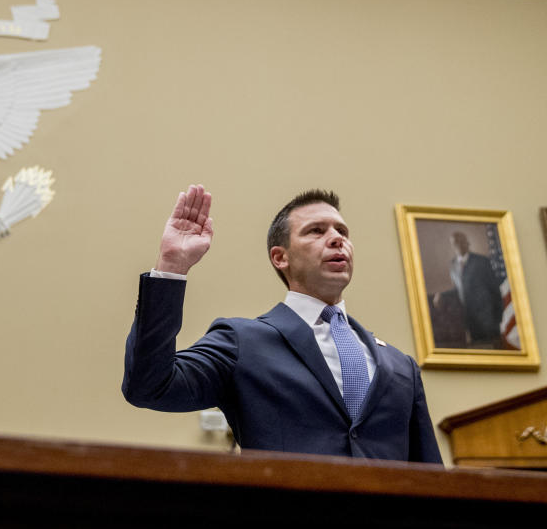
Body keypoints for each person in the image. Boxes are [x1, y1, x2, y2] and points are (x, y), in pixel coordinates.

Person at [122, 185, 442, 463]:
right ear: (280, 257)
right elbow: (149, 387)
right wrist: (172, 266)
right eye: (316, 231)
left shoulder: (401, 366)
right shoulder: (242, 342)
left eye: (342, 232)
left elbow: (429, 475)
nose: (336, 239)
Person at [432, 232, 504, 349]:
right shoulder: (453, 265)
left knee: (495, 352)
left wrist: (498, 318)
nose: (459, 245)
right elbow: (458, 289)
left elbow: (494, 289)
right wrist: (441, 295)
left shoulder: (482, 261)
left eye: (462, 241)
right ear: (452, 245)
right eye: (455, 243)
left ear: (467, 243)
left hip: (487, 318)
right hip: (469, 319)